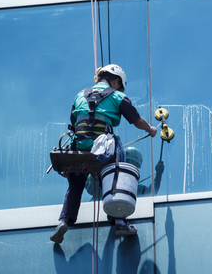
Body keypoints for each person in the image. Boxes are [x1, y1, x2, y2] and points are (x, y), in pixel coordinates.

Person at [50, 64, 157, 244]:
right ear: (115, 80)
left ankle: (64, 221)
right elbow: (136, 120)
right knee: (117, 171)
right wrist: (151, 129)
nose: (118, 87)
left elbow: (73, 121)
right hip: (103, 149)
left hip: (79, 147)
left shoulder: (79, 95)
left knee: (75, 185)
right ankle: (120, 221)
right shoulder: (117, 96)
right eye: (118, 84)